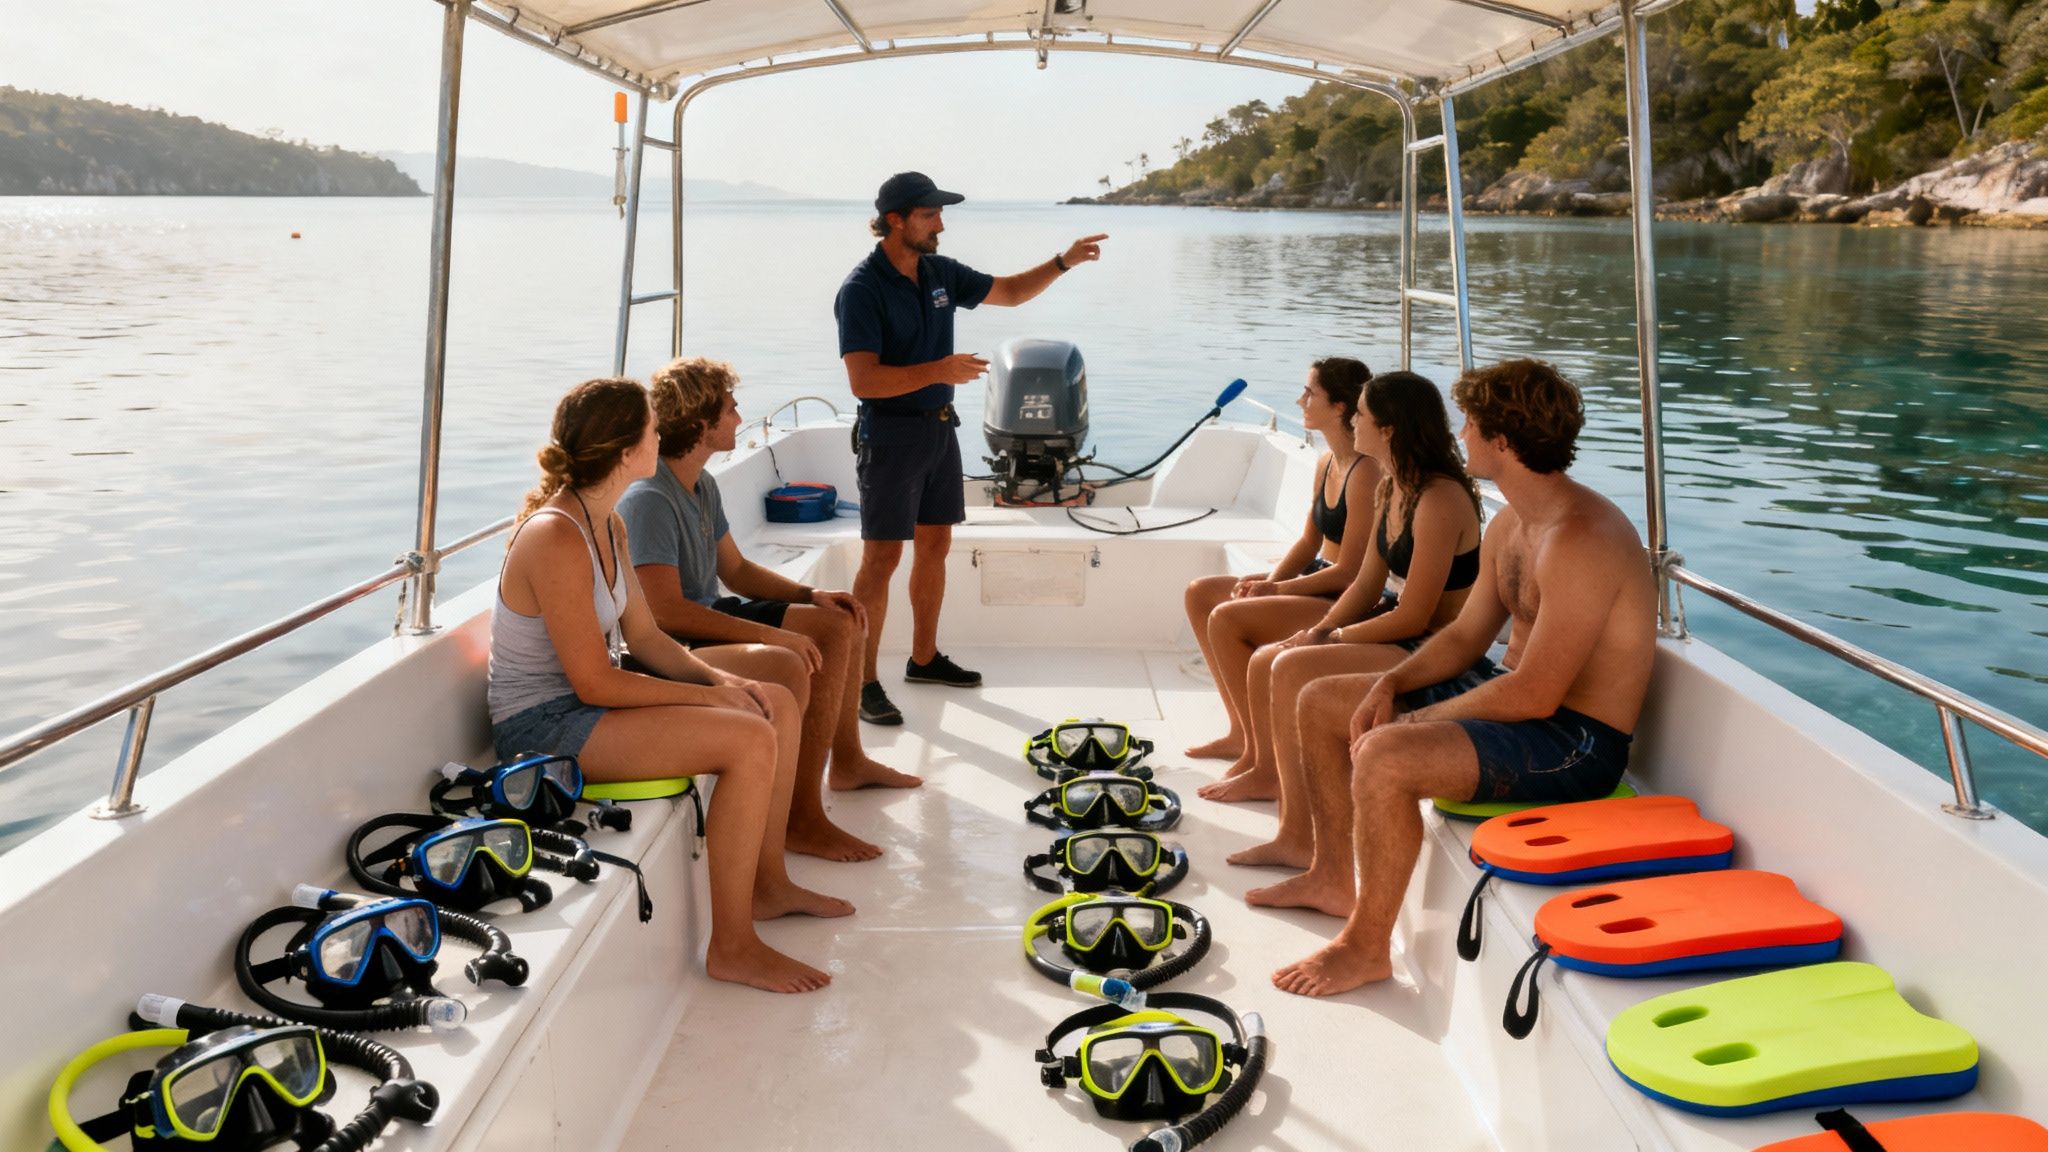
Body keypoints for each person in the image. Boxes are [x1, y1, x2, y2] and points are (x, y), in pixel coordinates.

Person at [1268, 359, 1657, 997]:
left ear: (1502, 441)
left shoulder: (1583, 538)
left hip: (1576, 743)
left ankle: (1366, 948)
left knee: (1387, 756)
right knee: (1322, 700)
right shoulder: (1513, 524)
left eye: (1472, 424)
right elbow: (1464, 637)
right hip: (1523, 706)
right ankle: (1332, 876)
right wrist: (1390, 686)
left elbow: (1536, 693)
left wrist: (1410, 721)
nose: (1462, 435)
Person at [488, 377, 850, 996]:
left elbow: (649, 641)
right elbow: (596, 681)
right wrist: (713, 699)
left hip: (584, 704)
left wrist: (725, 679)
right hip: (542, 728)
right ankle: (732, 946)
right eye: (652, 430)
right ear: (627, 450)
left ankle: (767, 885)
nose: (661, 435)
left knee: (777, 702)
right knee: (747, 741)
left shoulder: (608, 525)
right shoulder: (555, 534)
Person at [619, 358, 922, 867]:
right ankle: (801, 818)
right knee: (801, 652)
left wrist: (810, 596)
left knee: (841, 619)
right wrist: (777, 637)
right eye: (731, 409)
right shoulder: (649, 498)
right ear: (700, 424)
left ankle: (847, 764)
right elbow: (668, 614)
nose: (739, 418)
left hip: (710, 612)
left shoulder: (702, 483)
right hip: (676, 646)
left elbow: (734, 570)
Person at [834, 170, 1108, 724]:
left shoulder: (938, 271)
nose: (941, 223)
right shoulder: (861, 290)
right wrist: (940, 368)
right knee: (882, 558)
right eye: (930, 214)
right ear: (896, 220)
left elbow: (1007, 292)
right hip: (890, 434)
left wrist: (1064, 262)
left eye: (940, 213)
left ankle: (924, 658)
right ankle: (861, 683)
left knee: (934, 546)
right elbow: (863, 382)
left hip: (938, 429)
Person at [1226, 372, 1484, 914]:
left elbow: (1415, 614)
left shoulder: (1439, 498)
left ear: (1388, 430)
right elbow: (1368, 584)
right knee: (1282, 657)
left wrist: (1331, 635)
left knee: (1293, 668)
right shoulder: (1394, 483)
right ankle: (1297, 836)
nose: (1355, 423)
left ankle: (1330, 872)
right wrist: (1317, 631)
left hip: (1434, 651)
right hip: (1399, 629)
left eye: (1362, 416)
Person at [1184, 357, 1377, 781]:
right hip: (1314, 576)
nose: (1299, 400)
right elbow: (1309, 541)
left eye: (1310, 394)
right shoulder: (1327, 461)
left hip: (1342, 598)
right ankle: (1241, 733)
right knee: (1201, 593)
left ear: (1341, 407)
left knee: (1228, 619)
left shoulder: (1366, 471)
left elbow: (1350, 571)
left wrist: (1276, 592)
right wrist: (1270, 582)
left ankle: (1264, 761)